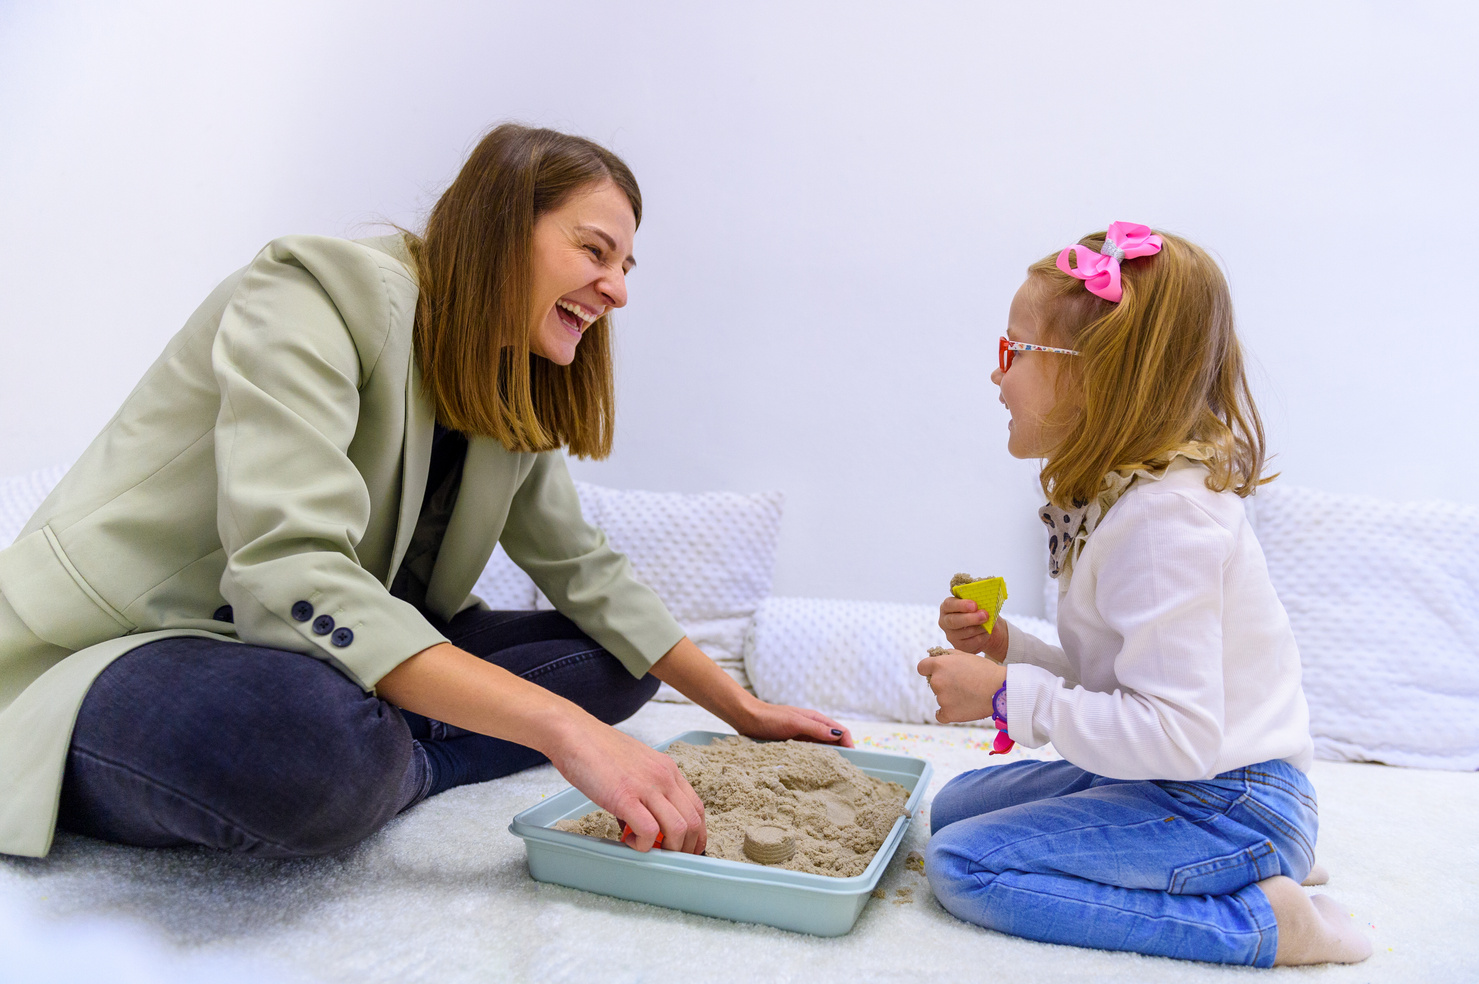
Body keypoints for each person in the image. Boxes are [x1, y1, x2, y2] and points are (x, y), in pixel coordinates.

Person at [0, 123, 851, 862]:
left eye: (626, 265)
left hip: (323, 652)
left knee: (617, 659)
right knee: (301, 744)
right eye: (594, 251)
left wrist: (741, 706)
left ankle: (391, 759)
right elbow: (289, 570)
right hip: (130, 649)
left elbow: (580, 566)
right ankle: (390, 757)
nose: (618, 288)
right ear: (499, 227)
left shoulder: (506, 378)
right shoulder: (309, 295)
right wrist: (563, 730)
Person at [915, 223, 1371, 967]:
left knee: (966, 863)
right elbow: (1122, 687)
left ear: (1095, 374)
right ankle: (1257, 859)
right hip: (1181, 778)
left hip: (1224, 798)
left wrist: (1007, 696)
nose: (995, 376)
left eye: (1014, 351)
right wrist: (1012, 651)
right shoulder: (1126, 501)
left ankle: (1262, 919)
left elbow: (1176, 734)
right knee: (953, 809)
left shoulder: (1166, 521)